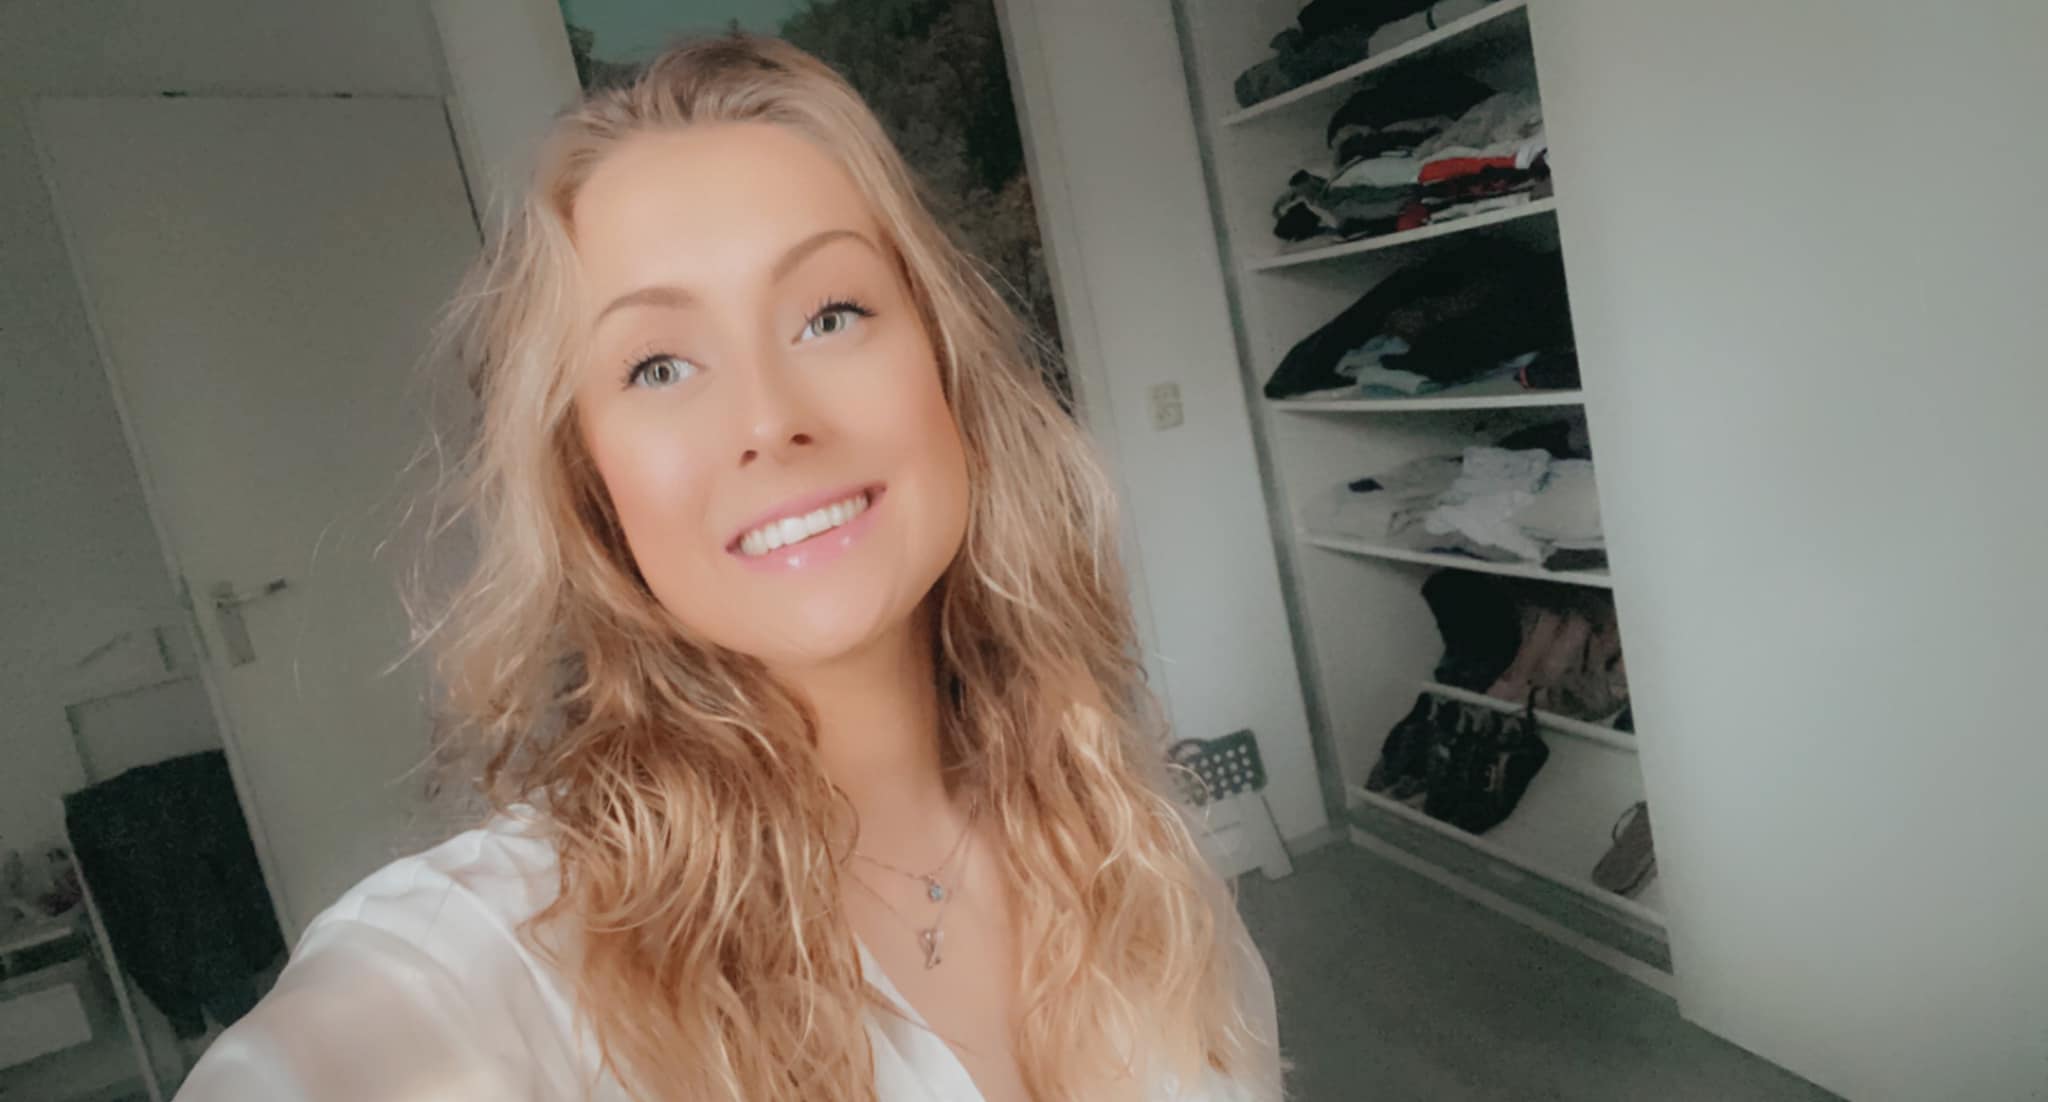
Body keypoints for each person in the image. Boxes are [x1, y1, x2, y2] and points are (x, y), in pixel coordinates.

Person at [177, 33, 1280, 1102]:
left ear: (947, 366)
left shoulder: (1118, 822)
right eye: (658, 366)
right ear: (590, 481)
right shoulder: (513, 944)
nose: (767, 419)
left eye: (830, 315)